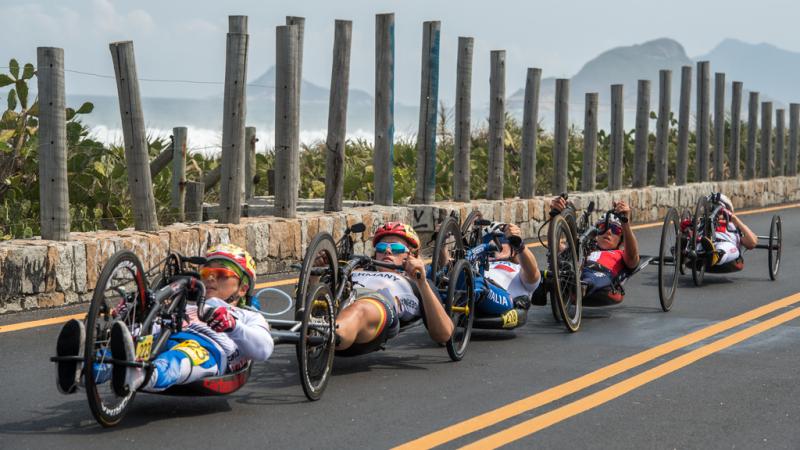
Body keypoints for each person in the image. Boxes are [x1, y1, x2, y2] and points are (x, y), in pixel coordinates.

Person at [54, 244, 274, 396]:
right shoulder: (183, 301)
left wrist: (233, 326)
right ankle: (81, 370)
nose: (211, 279)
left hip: (207, 348)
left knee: (179, 357)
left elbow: (263, 349)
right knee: (124, 348)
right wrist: (130, 313)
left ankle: (143, 374)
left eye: (221, 274)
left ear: (243, 287)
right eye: (206, 273)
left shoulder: (247, 316)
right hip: (161, 335)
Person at [334, 222, 454, 355]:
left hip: (377, 303)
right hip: (341, 297)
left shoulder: (416, 282)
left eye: (396, 248)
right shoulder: (359, 268)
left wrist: (422, 283)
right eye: (381, 247)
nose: (387, 251)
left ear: (411, 256)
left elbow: (444, 334)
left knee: (360, 309)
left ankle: (332, 334)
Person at [549, 196, 640, 304]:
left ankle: (581, 287)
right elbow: (555, 246)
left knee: (592, 277)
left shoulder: (621, 254)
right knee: (560, 256)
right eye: (603, 226)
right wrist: (554, 215)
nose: (609, 232)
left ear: (621, 239)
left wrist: (625, 222)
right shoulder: (584, 248)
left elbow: (633, 258)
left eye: (615, 229)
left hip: (600, 276)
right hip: (574, 270)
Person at [469, 222, 541, 318]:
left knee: (478, 284)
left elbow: (532, 273)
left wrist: (519, 245)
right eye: (488, 241)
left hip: (498, 296)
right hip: (470, 284)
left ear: (513, 250)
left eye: (499, 240)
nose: (493, 244)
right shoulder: (478, 262)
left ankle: (475, 290)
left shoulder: (519, 268)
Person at [690, 193, 757, 268]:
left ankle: (715, 255)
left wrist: (734, 218)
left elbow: (752, 243)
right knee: (696, 241)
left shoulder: (735, 226)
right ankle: (684, 252)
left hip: (726, 245)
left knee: (724, 248)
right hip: (704, 241)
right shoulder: (704, 221)